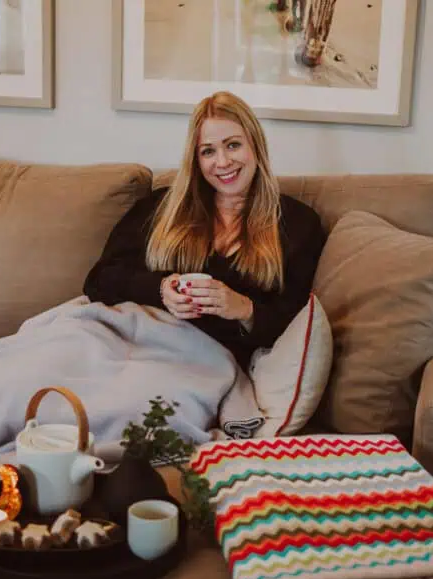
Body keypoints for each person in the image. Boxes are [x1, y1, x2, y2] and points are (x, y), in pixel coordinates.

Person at [83, 91, 326, 372]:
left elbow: (295, 323)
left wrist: (244, 308)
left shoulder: (297, 224)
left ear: (256, 147)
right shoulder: (162, 207)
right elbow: (99, 280)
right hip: (126, 339)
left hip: (197, 362)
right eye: (208, 151)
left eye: (233, 145)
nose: (222, 162)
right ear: (196, 160)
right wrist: (160, 290)